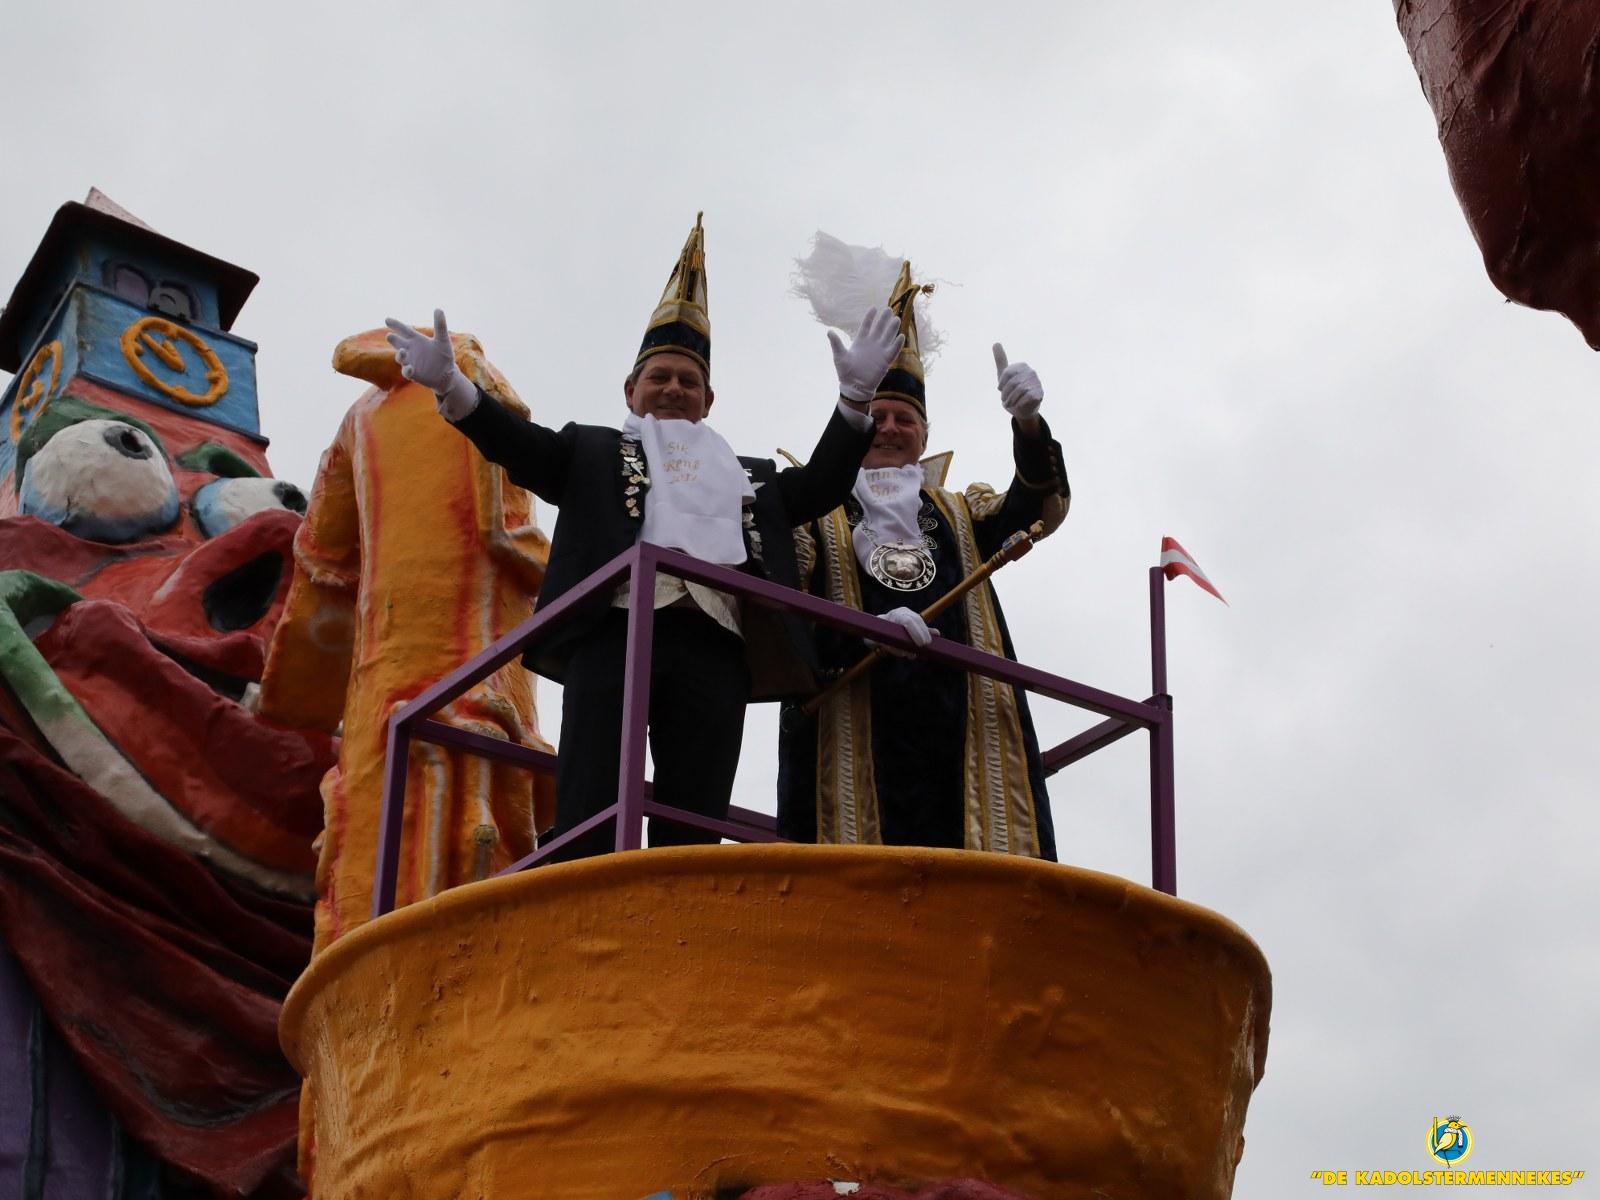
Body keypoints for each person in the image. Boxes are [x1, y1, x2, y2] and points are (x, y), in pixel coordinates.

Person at [384, 215, 902, 857]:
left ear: (708, 400)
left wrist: (854, 398)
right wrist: (455, 388)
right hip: (614, 630)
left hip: (716, 642)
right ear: (631, 391)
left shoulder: (750, 477)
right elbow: (521, 447)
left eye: (689, 381)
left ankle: (680, 901)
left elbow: (821, 486)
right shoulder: (592, 451)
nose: (674, 388)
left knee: (695, 815)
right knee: (592, 799)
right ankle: (582, 893)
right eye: (660, 377)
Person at [778, 260, 1069, 858]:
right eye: (877, 417)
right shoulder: (813, 511)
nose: (888, 429)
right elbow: (785, 610)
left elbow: (1038, 510)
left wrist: (1029, 424)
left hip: (965, 728)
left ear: (925, 434)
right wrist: (856, 632)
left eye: (904, 420)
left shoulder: (962, 510)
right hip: (851, 719)